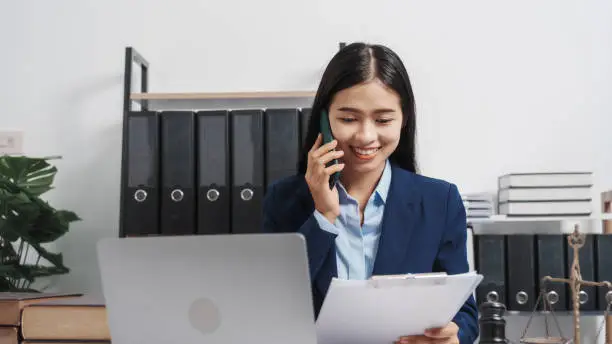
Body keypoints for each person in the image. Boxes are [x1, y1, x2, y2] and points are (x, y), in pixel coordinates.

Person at [262, 42, 478, 344]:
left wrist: (453, 338)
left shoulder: (440, 202)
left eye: (383, 120)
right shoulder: (283, 201)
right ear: (325, 118)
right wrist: (323, 217)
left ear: (404, 119)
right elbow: (270, 308)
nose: (365, 136)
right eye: (349, 119)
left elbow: (465, 314)